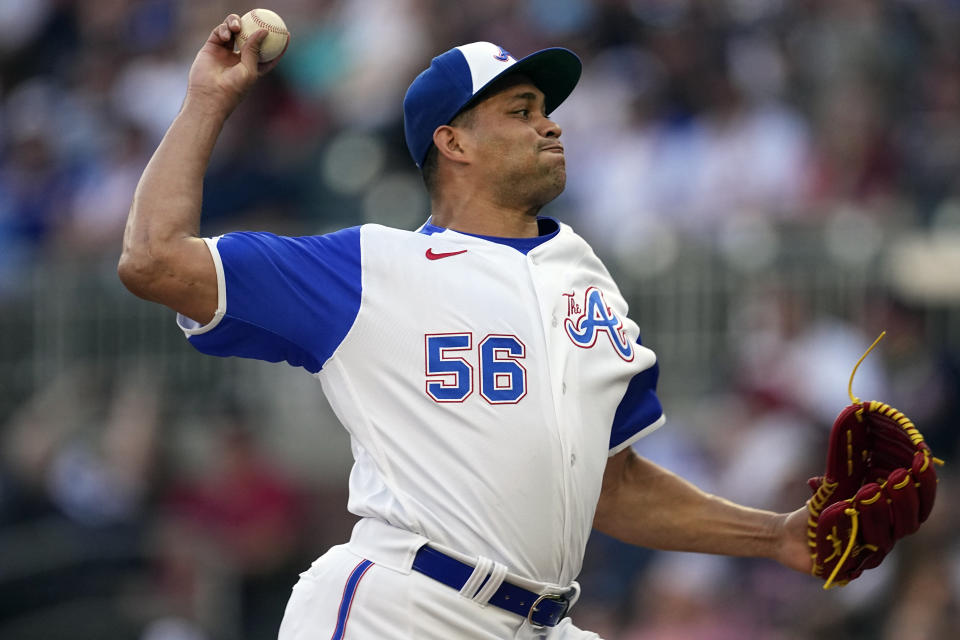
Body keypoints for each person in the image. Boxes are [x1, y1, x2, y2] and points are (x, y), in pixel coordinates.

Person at [119, 14, 811, 640]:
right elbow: (152, 260)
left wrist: (776, 535)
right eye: (521, 110)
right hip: (403, 608)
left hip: (545, 621)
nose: (551, 124)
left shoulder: (584, 273)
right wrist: (209, 99)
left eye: (545, 109)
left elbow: (615, 484)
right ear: (452, 141)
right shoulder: (371, 267)